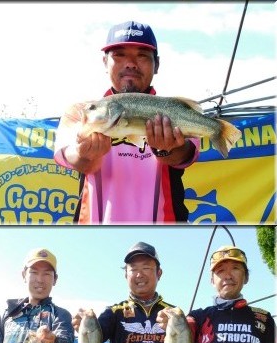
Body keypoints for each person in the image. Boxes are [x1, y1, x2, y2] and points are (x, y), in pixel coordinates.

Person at [53, 23, 199, 224]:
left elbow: (185, 155)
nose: (130, 63)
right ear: (105, 62)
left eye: (142, 56)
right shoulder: (81, 111)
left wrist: (168, 150)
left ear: (157, 64)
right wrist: (83, 154)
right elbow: (74, 159)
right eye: (119, 55)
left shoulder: (174, 110)